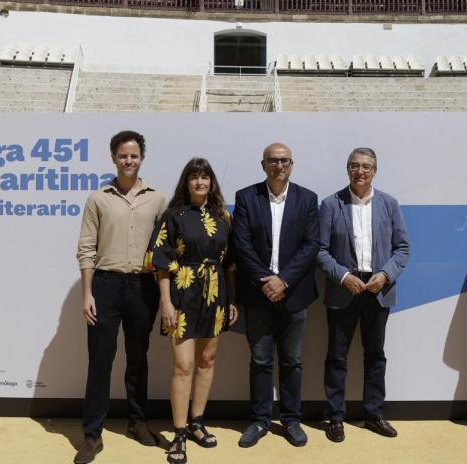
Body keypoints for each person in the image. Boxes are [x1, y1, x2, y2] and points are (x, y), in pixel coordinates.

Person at [74, 130, 168, 464]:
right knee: (100, 360)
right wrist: (87, 293)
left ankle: (138, 423)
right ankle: (91, 434)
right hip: (105, 285)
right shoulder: (98, 198)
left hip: (142, 287)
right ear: (113, 158)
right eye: (122, 155)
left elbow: (165, 249)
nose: (129, 161)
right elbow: (85, 249)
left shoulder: (157, 198)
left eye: (134, 155)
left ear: (141, 158)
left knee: (138, 358)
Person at [146, 158, 239, 463]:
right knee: (183, 365)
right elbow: (159, 261)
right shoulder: (173, 216)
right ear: (186, 182)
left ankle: (197, 422)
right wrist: (166, 302)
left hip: (216, 295)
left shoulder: (223, 216)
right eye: (194, 177)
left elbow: (231, 264)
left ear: (212, 182)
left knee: (207, 360)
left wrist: (232, 300)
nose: (200, 182)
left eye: (205, 177)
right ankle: (179, 433)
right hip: (182, 293)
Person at [317, 147, 411, 442]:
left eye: (366, 167)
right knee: (337, 357)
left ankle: (373, 413)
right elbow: (319, 251)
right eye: (355, 166)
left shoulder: (389, 204)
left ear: (375, 171)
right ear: (348, 169)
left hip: (378, 290)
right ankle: (335, 416)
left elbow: (403, 248)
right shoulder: (332, 204)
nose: (360, 171)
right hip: (344, 289)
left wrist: (384, 275)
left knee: (375, 356)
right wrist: (344, 277)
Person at [231, 142, 320, 448]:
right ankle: (259, 420)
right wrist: (266, 282)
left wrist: (283, 280)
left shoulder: (308, 199)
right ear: (263, 164)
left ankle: (292, 419)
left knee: (293, 361)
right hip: (258, 296)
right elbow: (241, 245)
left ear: (292, 164)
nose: (278, 166)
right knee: (260, 361)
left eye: (284, 161)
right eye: (273, 160)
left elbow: (311, 246)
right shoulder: (246, 197)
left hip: (295, 295)